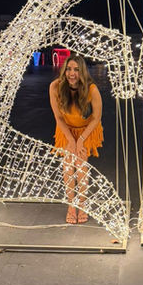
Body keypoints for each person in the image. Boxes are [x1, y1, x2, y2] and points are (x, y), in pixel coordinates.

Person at [49, 53, 103, 224]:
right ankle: (71, 205)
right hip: (66, 129)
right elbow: (58, 117)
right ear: (64, 70)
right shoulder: (55, 87)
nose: (72, 73)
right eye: (69, 69)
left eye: (76, 70)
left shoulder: (92, 89)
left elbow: (96, 118)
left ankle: (82, 203)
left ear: (83, 72)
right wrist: (70, 140)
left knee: (80, 165)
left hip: (86, 130)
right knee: (67, 165)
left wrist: (80, 140)